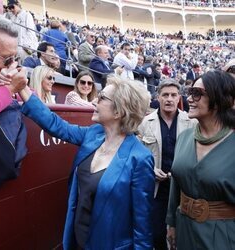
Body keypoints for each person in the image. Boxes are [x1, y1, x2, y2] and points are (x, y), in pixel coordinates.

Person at [15, 74, 155, 250]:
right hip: (77, 240)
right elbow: (56, 125)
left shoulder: (140, 158)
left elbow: (142, 223)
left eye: (102, 98)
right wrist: (22, 88)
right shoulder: (93, 134)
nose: (95, 101)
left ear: (119, 111)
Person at [166, 70, 235, 250]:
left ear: (218, 100)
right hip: (184, 231)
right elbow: (176, 184)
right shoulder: (185, 137)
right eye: (190, 92)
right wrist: (171, 223)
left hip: (223, 235)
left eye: (197, 94)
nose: (189, 99)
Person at [138, 78, 196, 250]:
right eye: (165, 95)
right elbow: (139, 157)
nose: (169, 99)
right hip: (157, 190)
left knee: (184, 234)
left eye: (173, 95)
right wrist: (151, 169)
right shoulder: (144, 123)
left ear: (179, 97)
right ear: (158, 97)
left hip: (183, 189)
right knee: (157, 235)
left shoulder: (192, 122)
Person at [0, 13, 27, 126]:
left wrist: (20, 87)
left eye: (14, 58)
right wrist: (10, 89)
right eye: (6, 58)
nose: (12, 64)